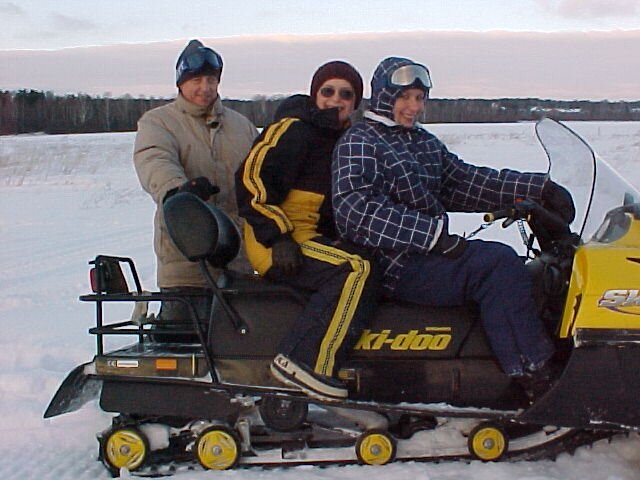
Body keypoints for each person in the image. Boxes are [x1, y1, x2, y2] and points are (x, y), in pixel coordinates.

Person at [332, 57, 575, 398]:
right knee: (497, 266)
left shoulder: (421, 142)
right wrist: (432, 237)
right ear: (385, 96)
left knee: (516, 266)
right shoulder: (361, 142)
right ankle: (534, 372)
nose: (414, 107)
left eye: (420, 98)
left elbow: (466, 182)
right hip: (393, 263)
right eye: (405, 98)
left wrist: (538, 189)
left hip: (424, 254)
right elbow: (356, 212)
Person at [236, 61, 379, 401]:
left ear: (355, 104)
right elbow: (251, 180)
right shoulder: (295, 129)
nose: (335, 99)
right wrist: (278, 236)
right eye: (327, 91)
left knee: (370, 261)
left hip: (310, 235)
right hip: (278, 238)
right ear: (315, 94)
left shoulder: (343, 140)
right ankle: (303, 361)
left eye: (346, 94)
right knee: (356, 269)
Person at [133, 39, 258, 339]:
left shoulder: (242, 126)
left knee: (239, 351)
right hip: (186, 262)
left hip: (237, 263)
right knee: (181, 348)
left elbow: (261, 174)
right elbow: (154, 159)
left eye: (211, 80)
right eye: (196, 80)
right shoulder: (159, 122)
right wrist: (179, 192)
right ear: (180, 82)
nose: (205, 88)